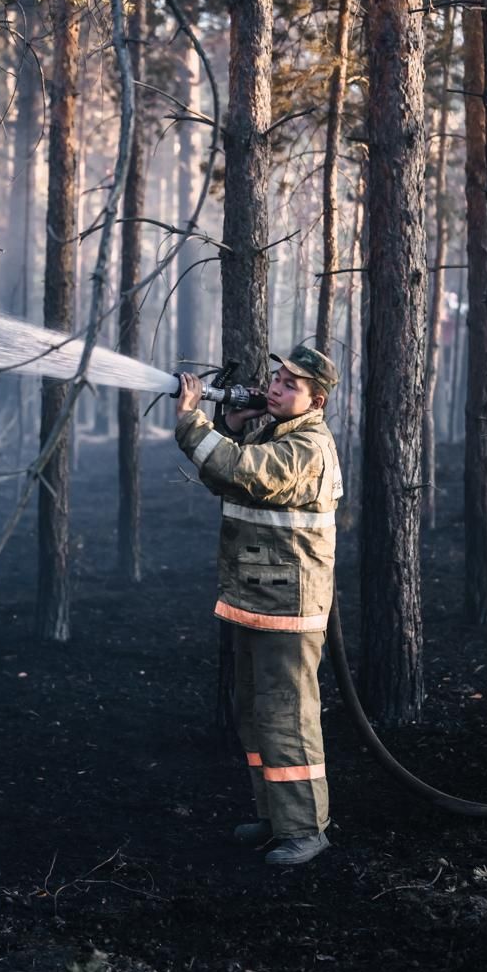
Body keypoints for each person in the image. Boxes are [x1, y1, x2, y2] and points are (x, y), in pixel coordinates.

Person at [174, 345, 341, 865]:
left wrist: (192, 422)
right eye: (277, 377)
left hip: (288, 608)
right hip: (260, 598)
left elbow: (246, 471)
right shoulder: (275, 434)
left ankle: (306, 829)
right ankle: (276, 817)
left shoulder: (307, 446)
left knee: (287, 719)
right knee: (256, 716)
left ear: (316, 402)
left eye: (291, 385)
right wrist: (229, 424)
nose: (275, 386)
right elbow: (226, 475)